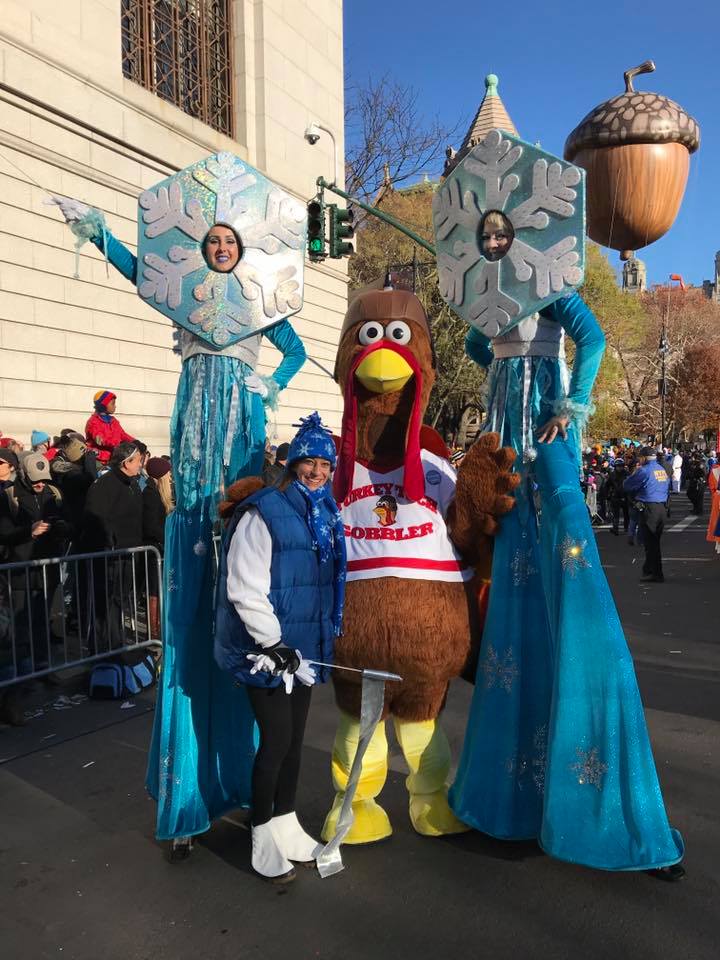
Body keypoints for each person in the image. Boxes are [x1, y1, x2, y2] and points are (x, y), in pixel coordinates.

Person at [50, 174, 307, 849]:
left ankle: (249, 780)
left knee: (244, 548)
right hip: (195, 431)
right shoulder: (187, 302)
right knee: (197, 565)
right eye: (213, 239)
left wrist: (271, 383)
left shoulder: (259, 304)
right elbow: (143, 271)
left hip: (243, 430)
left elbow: (298, 352)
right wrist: (99, 230)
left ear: (242, 249)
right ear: (203, 248)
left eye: (230, 239)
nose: (222, 247)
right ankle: (191, 788)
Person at [453, 294, 683, 876]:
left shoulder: (549, 281)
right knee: (512, 606)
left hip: (547, 444)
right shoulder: (493, 288)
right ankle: (512, 804)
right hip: (504, 448)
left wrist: (571, 403)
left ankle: (620, 814)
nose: (500, 241)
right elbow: (476, 343)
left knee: (579, 593)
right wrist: (500, 358)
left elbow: (595, 337)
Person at [214, 413, 346, 882]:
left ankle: (287, 820)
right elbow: (244, 586)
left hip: (303, 649)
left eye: (324, 465)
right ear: (292, 463)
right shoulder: (264, 509)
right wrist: (273, 642)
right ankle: (261, 828)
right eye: (308, 462)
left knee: (294, 742)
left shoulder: (327, 510)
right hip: (265, 649)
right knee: (276, 741)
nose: (316, 472)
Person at [79, 441, 144, 651]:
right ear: (126, 462)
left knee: (118, 601)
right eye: (138, 461)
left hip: (126, 555)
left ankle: (115, 643)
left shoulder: (133, 484)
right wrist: (110, 542)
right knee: (104, 603)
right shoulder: (104, 485)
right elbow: (95, 518)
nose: (141, 465)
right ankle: (102, 646)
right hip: (108, 557)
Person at [624, 447, 670, 583]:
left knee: (650, 543)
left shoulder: (643, 471)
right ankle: (650, 569)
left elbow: (627, 485)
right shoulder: (661, 470)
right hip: (661, 507)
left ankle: (656, 573)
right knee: (655, 541)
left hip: (649, 508)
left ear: (643, 458)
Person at [142, 457, 174, 638]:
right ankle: (154, 632)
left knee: (159, 588)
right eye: (168, 474)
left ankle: (158, 628)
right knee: (154, 589)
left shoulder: (157, 493)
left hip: (159, 548)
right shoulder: (150, 494)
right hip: (154, 549)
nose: (170, 477)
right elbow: (151, 526)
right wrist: (166, 539)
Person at [85, 391, 136, 465]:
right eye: (113, 403)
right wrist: (119, 444)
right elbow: (100, 440)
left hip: (114, 457)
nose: (115, 406)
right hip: (100, 460)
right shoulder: (93, 422)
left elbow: (122, 434)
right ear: (103, 405)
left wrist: (135, 442)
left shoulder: (113, 420)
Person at [607, 458, 629, 535]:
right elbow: (607, 485)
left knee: (626, 513)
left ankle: (626, 528)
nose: (619, 467)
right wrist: (607, 494)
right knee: (615, 514)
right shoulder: (612, 474)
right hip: (615, 496)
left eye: (621, 466)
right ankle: (615, 528)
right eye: (618, 466)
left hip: (625, 496)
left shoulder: (627, 474)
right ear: (615, 466)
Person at [707, 458, 720, 555]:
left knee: (716, 521)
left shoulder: (714, 469)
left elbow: (711, 485)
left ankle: (718, 544)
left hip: (717, 497)